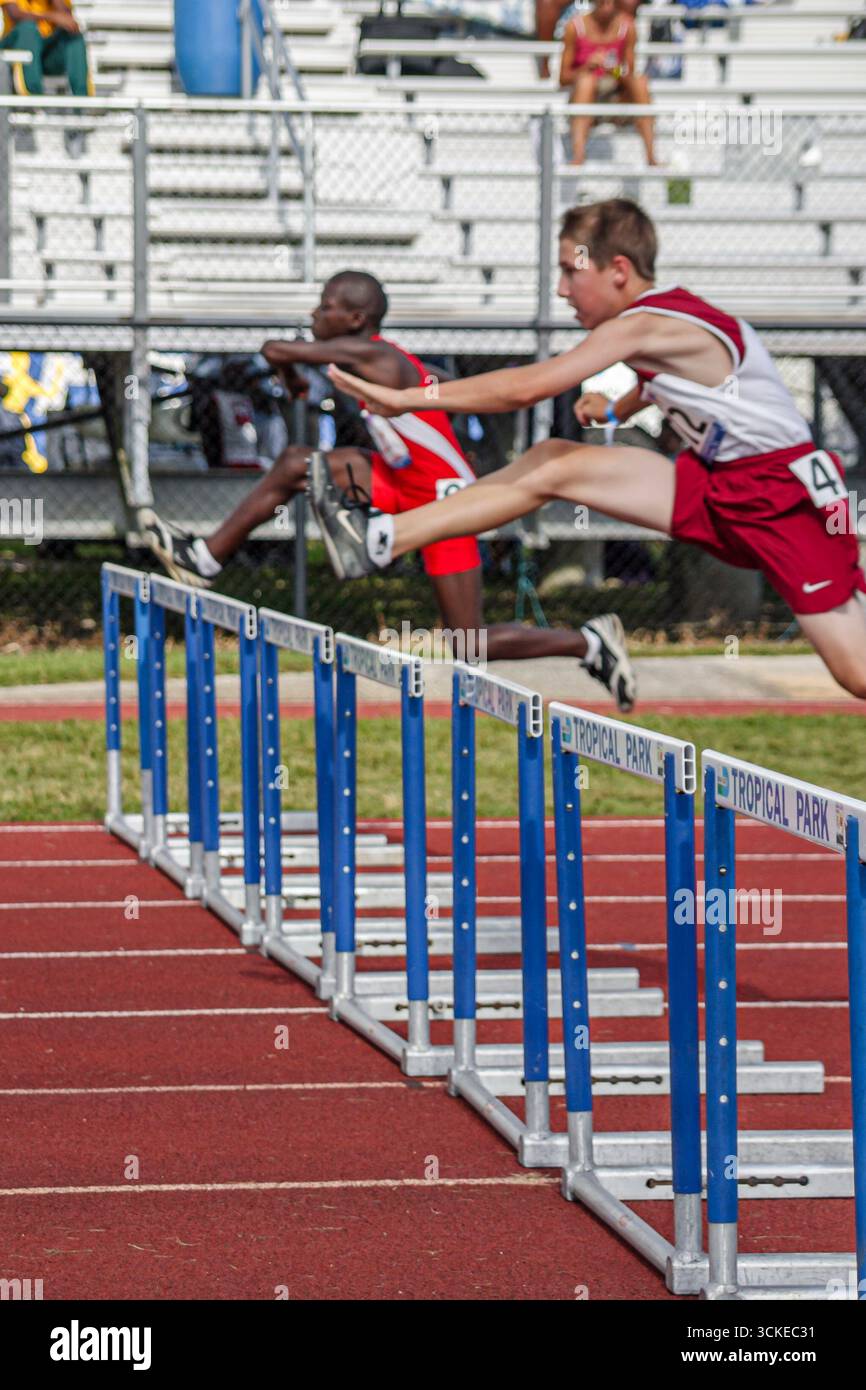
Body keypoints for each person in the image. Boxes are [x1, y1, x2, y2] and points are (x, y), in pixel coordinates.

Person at [312, 199, 866, 702]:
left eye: (571, 271)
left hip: (782, 500)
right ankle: (383, 538)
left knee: (854, 672)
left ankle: (385, 537)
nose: (560, 289)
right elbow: (683, 385)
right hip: (717, 482)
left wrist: (409, 397)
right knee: (556, 461)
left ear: (617, 270)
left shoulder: (647, 323)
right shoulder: (669, 321)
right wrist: (614, 409)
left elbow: (528, 386)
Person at [140, 270, 637, 711]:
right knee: (297, 463)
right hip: (398, 480)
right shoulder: (368, 356)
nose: (315, 312)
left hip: (446, 502)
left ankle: (588, 644)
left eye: (326, 305)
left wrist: (290, 371)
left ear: (356, 319)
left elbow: (276, 349)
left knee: (469, 644)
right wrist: (292, 377)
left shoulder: (373, 353)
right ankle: (204, 560)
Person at [559, 0, 656, 165]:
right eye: (603, 2)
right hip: (585, 96)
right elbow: (563, 78)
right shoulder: (574, 27)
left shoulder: (627, 26)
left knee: (640, 82)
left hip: (616, 96)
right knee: (586, 82)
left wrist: (613, 70)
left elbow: (629, 74)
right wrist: (587, 66)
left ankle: (651, 157)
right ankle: (578, 157)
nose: (608, 5)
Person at [0, 1, 92, 96]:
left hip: (45, 55)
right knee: (28, 29)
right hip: (14, 49)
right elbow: (15, 15)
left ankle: (82, 99)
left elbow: (68, 18)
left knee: (73, 35)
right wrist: (52, 16)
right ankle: (32, 95)